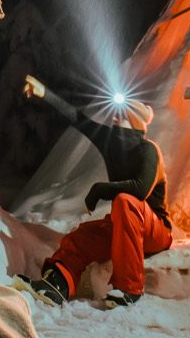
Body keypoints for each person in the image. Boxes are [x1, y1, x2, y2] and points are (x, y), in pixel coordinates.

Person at [19, 74, 172, 308]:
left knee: (124, 200)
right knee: (82, 237)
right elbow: (78, 118)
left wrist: (101, 189)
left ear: (134, 120)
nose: (115, 115)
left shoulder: (148, 150)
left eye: (122, 113)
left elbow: (140, 190)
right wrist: (45, 94)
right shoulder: (110, 143)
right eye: (116, 112)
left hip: (156, 231)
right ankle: (57, 285)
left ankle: (129, 289)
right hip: (124, 224)